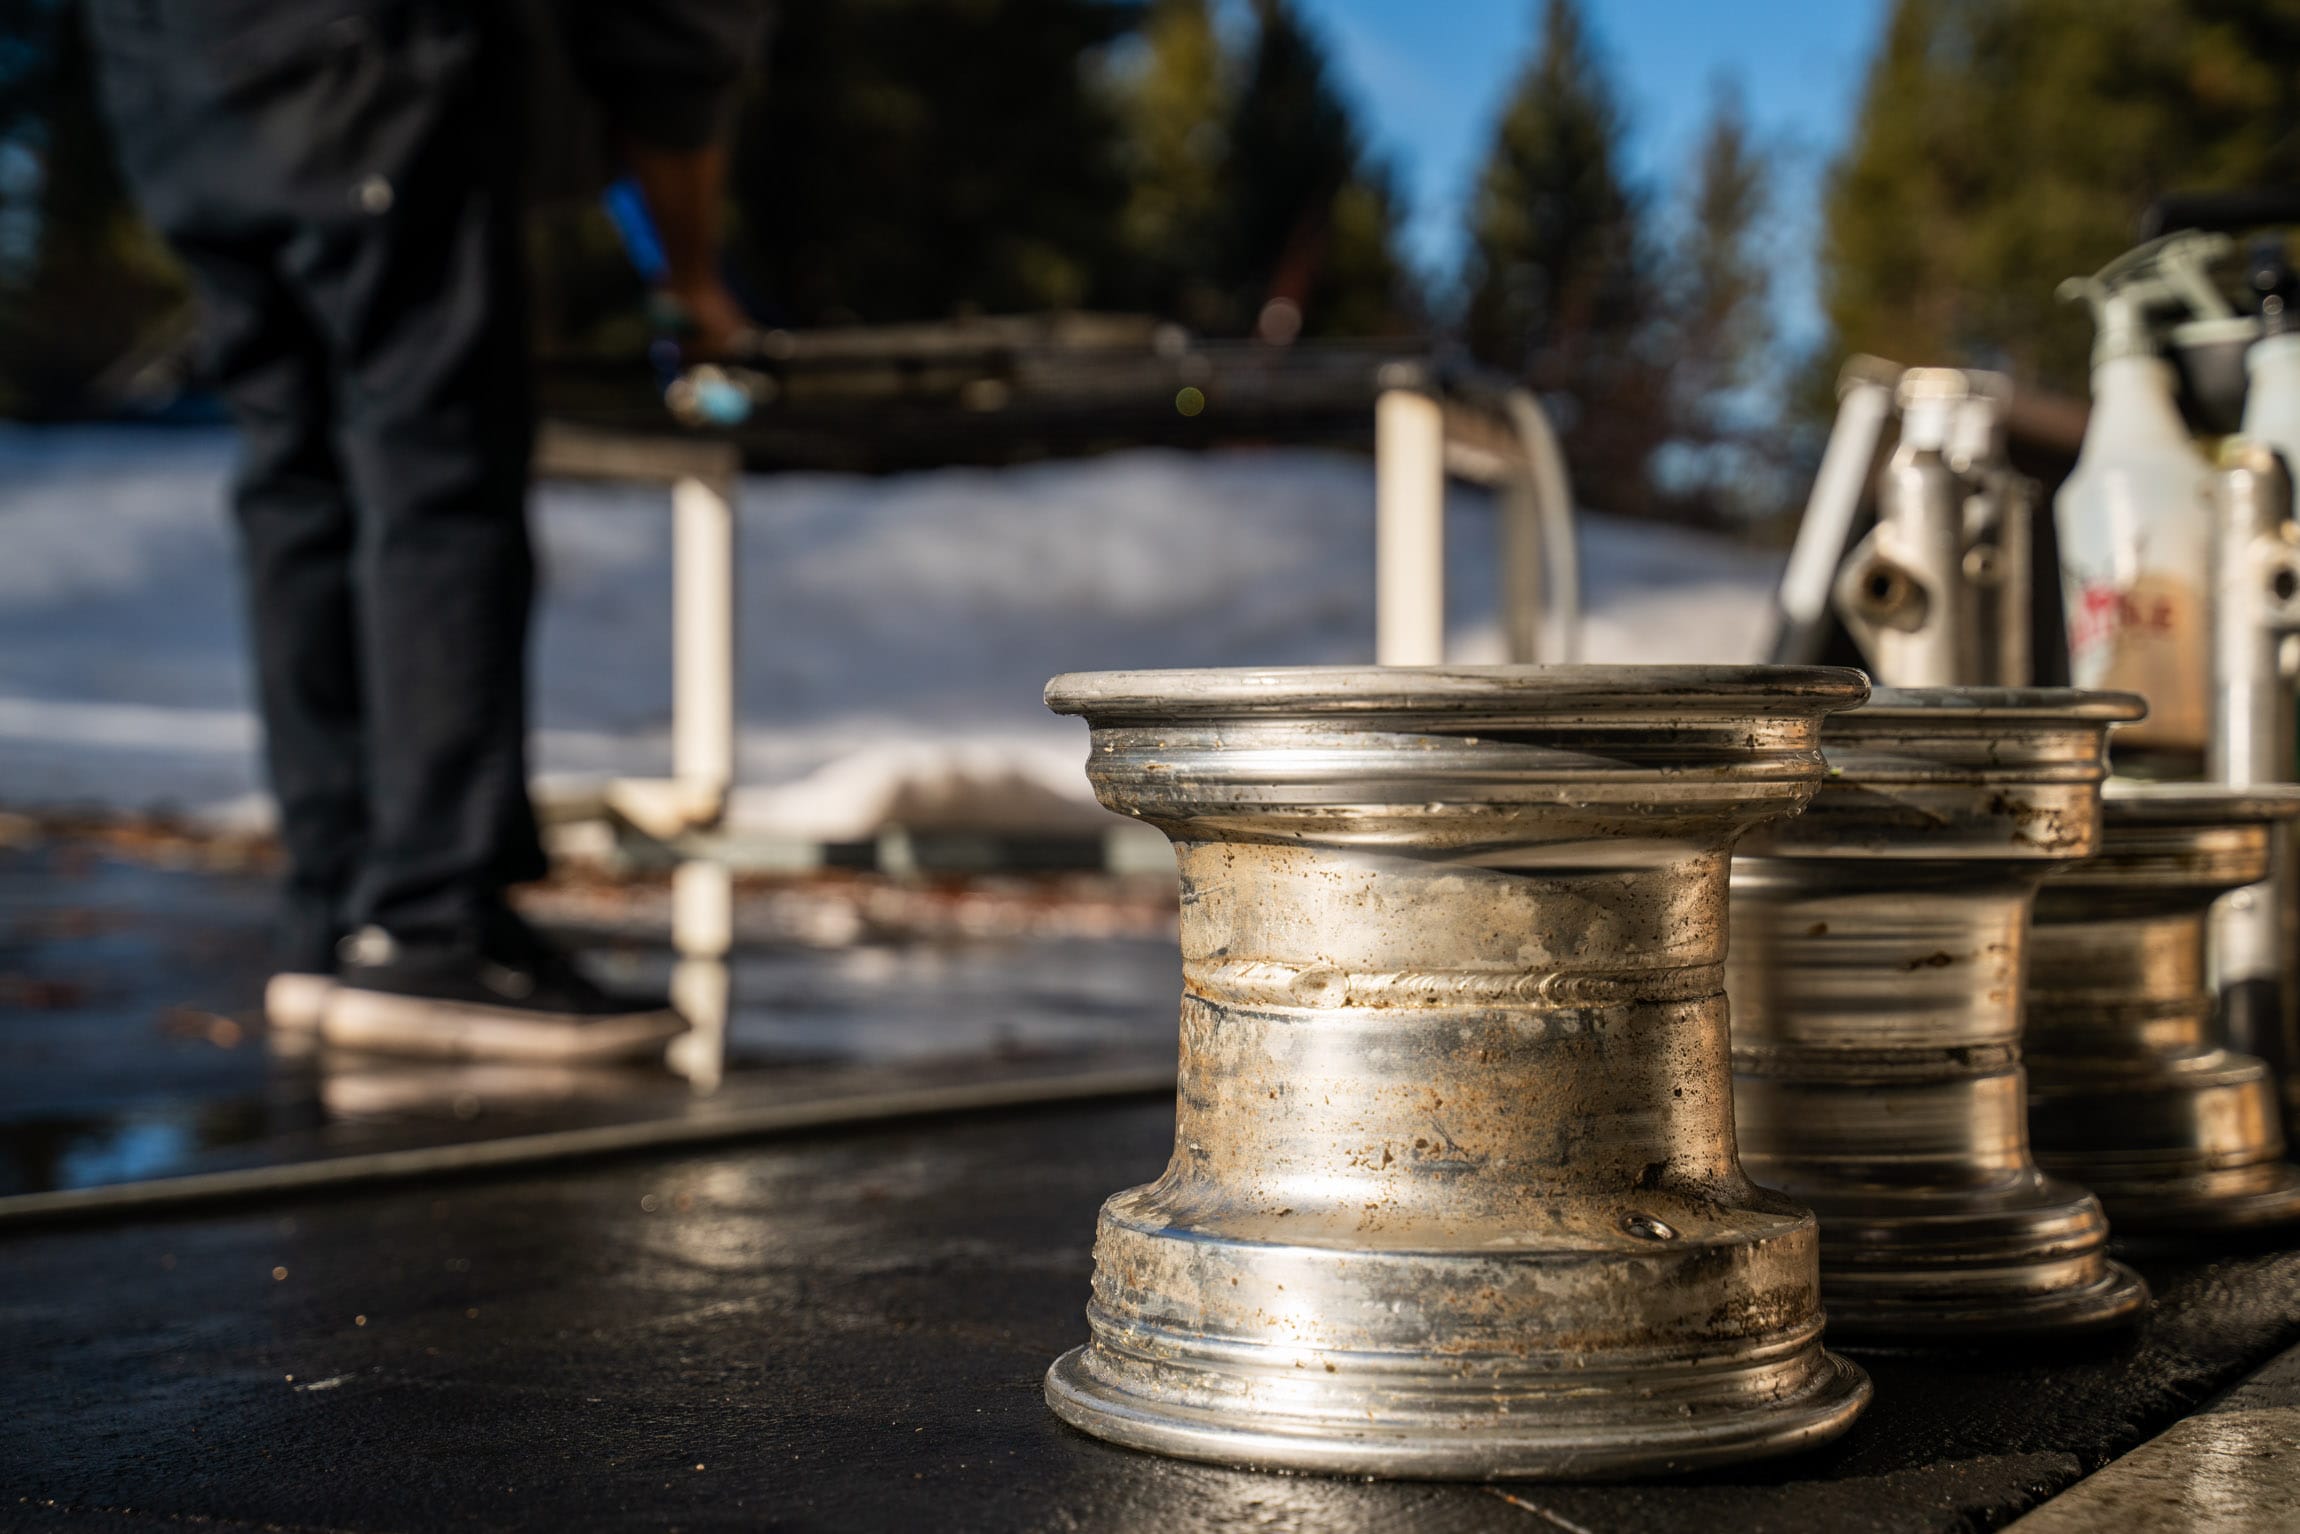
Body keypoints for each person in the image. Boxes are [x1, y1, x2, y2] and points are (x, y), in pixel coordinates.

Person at [83, 0, 764, 1061]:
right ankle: (428, 924)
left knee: (294, 468)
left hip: (173, 74)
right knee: (434, 468)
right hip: (370, 57)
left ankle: (332, 915)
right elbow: (674, 34)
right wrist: (691, 276)